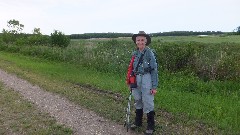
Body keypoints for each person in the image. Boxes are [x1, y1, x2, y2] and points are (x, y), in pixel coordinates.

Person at [126, 31, 158, 135]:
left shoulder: (150, 53)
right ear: (136, 42)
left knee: (148, 100)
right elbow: (131, 68)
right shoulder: (134, 54)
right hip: (136, 78)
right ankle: (138, 122)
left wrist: (154, 86)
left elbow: (154, 70)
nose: (140, 42)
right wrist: (130, 81)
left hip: (146, 78)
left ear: (146, 41)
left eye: (142, 40)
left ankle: (150, 125)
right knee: (138, 99)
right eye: (138, 40)